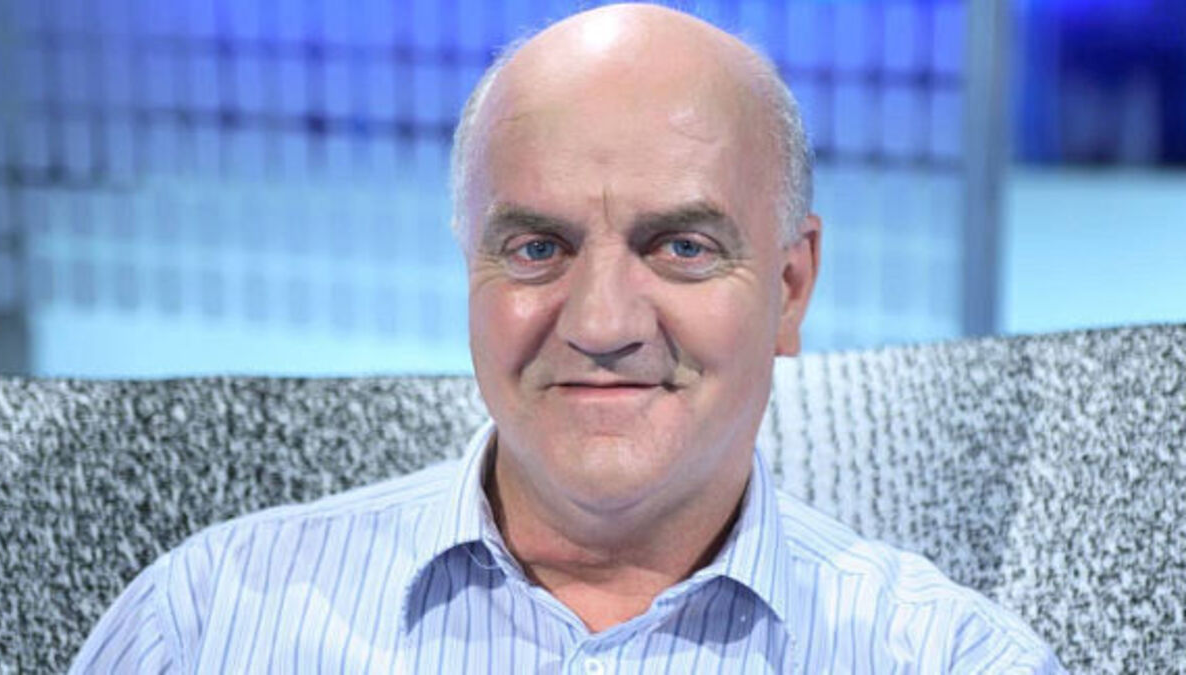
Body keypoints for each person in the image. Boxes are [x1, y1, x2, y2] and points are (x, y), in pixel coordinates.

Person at [71, 4, 1064, 672]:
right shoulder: (206, 623)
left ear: (791, 287)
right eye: (537, 248)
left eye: (681, 247)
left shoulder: (949, 658)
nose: (600, 325)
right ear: (470, 268)